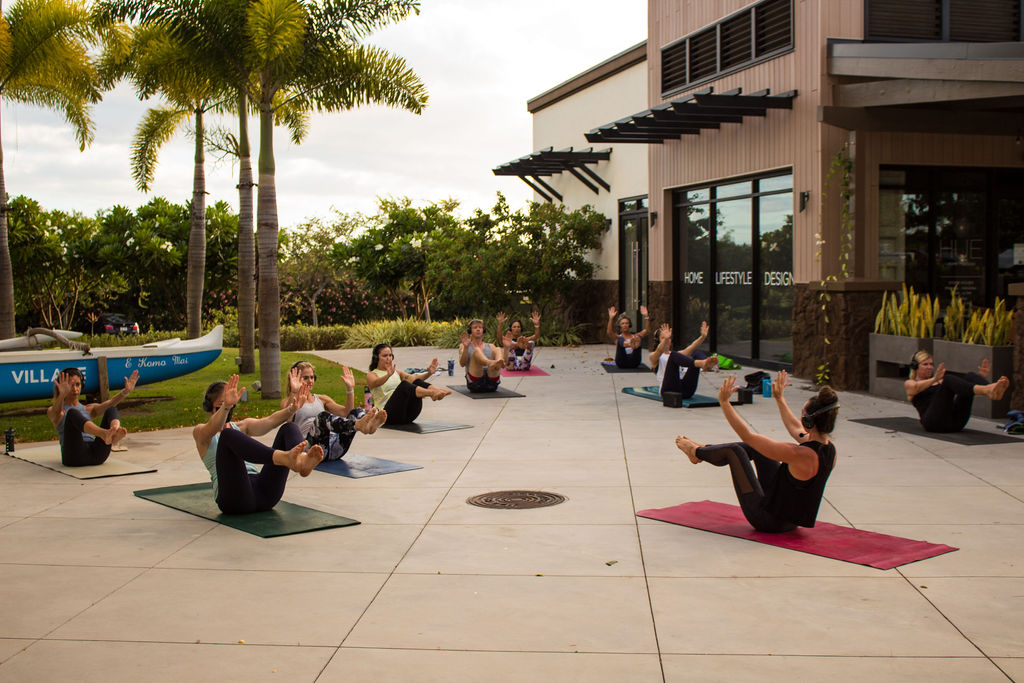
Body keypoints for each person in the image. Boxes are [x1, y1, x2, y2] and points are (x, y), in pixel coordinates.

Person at [675, 371, 839, 533]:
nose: (800, 418)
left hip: (768, 520)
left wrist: (724, 403)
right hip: (789, 520)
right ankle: (706, 450)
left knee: (734, 451)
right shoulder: (828, 449)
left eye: (802, 414)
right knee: (757, 447)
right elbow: (796, 428)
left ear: (809, 421)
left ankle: (696, 452)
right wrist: (780, 399)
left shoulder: (798, 454)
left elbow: (747, 435)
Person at [193, 374, 324, 515]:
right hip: (234, 499)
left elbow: (269, 421)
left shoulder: (241, 426)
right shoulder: (201, 433)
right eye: (220, 406)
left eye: (231, 406)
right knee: (228, 434)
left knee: (289, 428)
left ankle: (301, 461)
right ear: (209, 408)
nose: (227, 410)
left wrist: (291, 409)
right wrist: (226, 407)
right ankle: (285, 458)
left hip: (265, 493)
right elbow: (214, 426)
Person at [284, 361, 387, 460]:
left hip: (335, 448)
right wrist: (294, 391)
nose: (310, 381)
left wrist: (350, 389)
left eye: (312, 377)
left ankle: (368, 426)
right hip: (311, 452)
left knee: (356, 411)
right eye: (305, 378)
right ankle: (358, 425)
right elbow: (287, 419)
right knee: (323, 417)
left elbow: (346, 413)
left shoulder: (322, 399)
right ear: (296, 379)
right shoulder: (289, 402)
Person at [47, 367, 138, 466]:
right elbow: (55, 412)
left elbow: (111, 402)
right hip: (73, 456)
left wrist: (125, 392)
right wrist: (61, 395)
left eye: (77, 385)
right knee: (73, 413)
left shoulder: (88, 409)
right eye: (70, 385)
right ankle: (104, 434)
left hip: (97, 454)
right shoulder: (58, 411)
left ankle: (114, 433)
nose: (74, 389)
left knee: (111, 409)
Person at [904, 351, 1009, 433]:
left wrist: (980, 377)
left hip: (956, 423)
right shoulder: (911, 383)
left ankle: (992, 390)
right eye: (925, 364)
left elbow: (965, 388)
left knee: (970, 376)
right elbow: (915, 388)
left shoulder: (940, 380)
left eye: (931, 364)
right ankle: (987, 390)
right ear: (915, 367)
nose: (930, 367)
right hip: (934, 423)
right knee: (948, 379)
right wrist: (934, 379)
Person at [367, 344, 451, 424]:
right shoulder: (372, 375)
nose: (388, 358)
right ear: (376, 358)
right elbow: (376, 382)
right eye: (385, 356)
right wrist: (388, 375)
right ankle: (432, 393)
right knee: (404, 385)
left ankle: (436, 390)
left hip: (408, 414)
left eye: (390, 355)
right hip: (387, 415)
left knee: (415, 381)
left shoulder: (397, 372)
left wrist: (429, 373)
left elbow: (414, 378)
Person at [649, 322, 718, 397]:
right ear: (658, 341)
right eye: (663, 338)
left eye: (669, 338)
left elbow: (691, 347)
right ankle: (701, 363)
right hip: (669, 391)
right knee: (673, 355)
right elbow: (659, 350)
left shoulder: (677, 355)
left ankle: (706, 363)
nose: (667, 340)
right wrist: (666, 339)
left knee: (696, 352)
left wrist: (702, 337)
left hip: (686, 391)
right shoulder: (654, 356)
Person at [459, 318, 504, 392]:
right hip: (475, 382)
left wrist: (507, 348)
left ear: (483, 330)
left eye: (480, 327)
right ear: (470, 331)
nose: (478, 329)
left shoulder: (491, 346)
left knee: (498, 349)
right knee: (477, 351)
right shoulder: (464, 346)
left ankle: (495, 363)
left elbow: (504, 359)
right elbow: (462, 364)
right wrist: (466, 348)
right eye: (475, 327)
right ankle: (489, 362)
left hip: (492, 382)